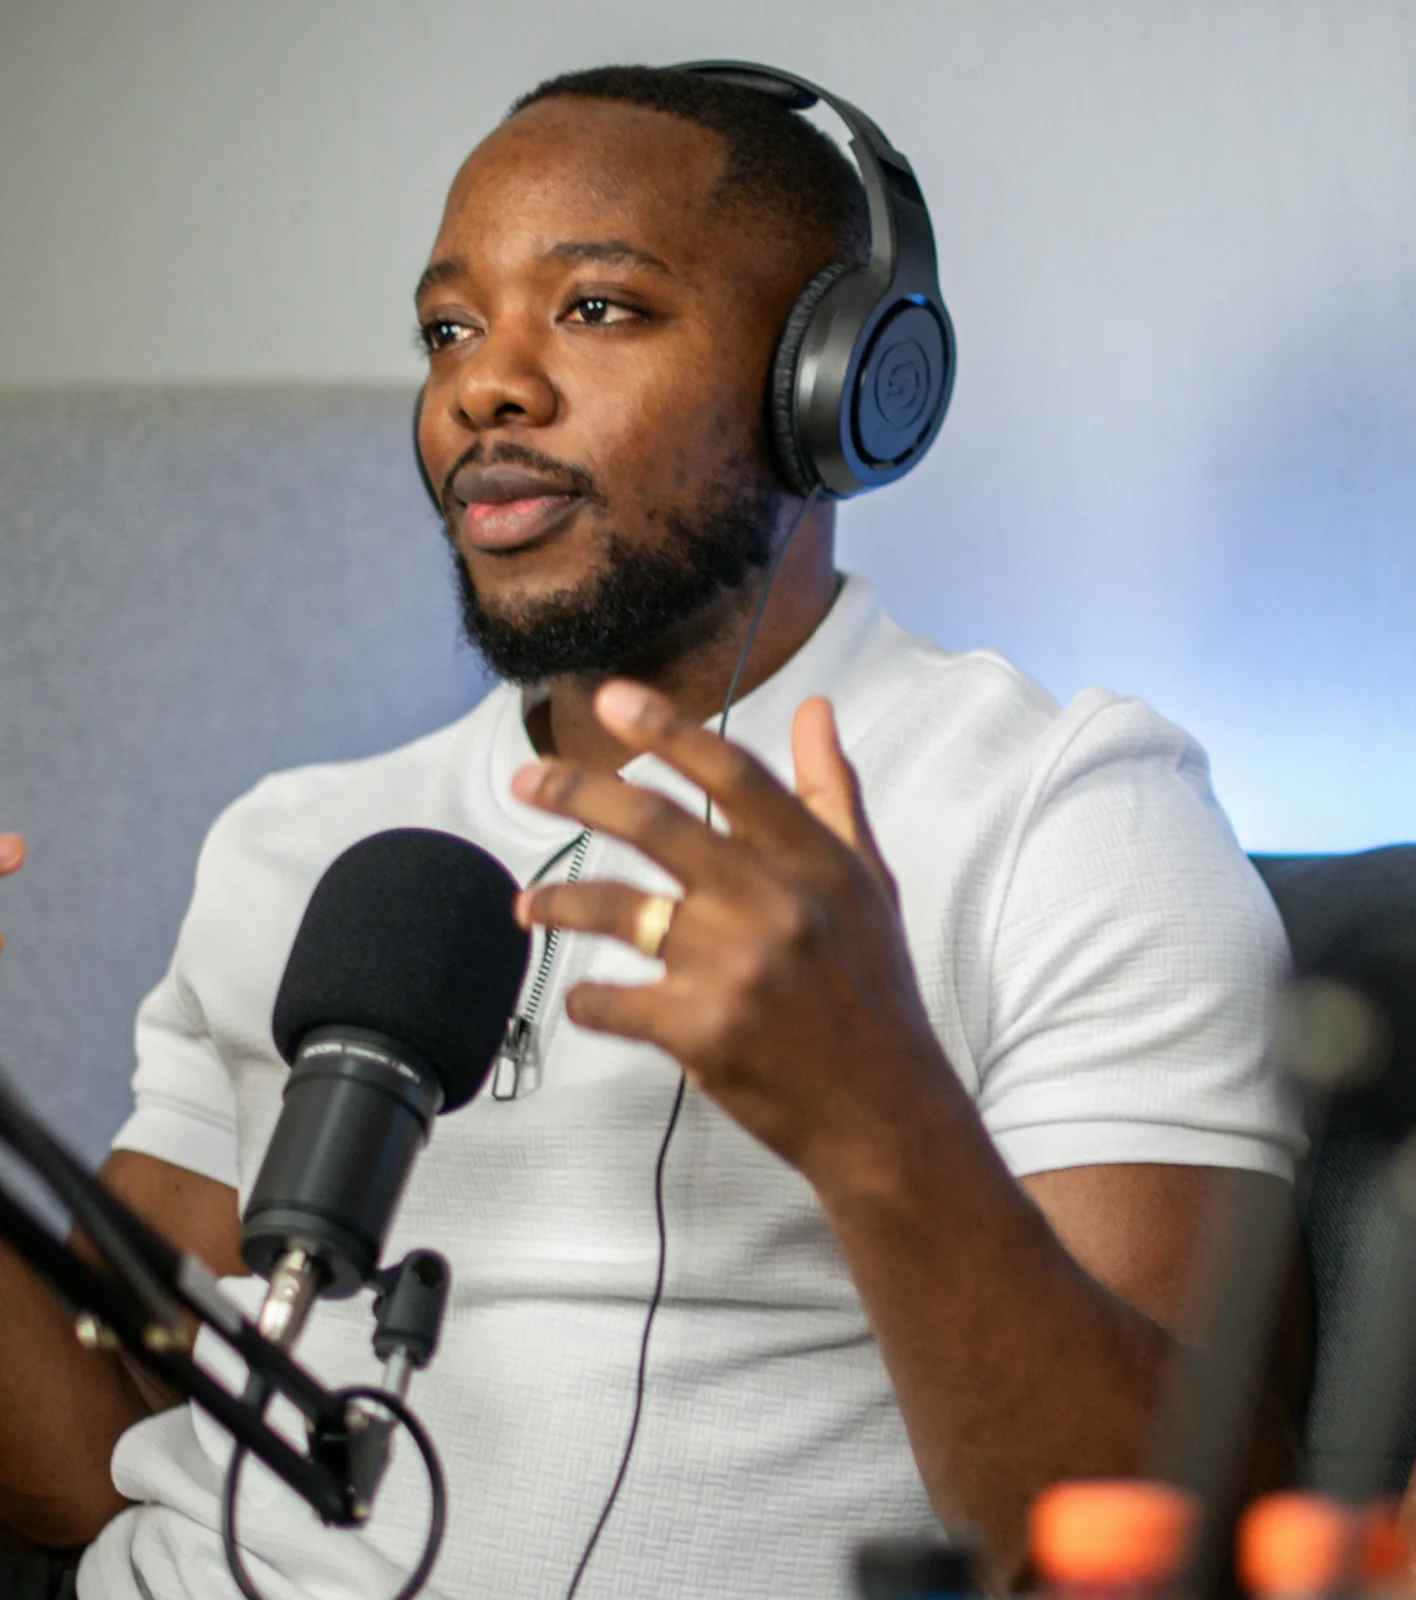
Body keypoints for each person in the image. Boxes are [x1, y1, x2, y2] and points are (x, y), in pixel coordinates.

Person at [0, 65, 1305, 1600]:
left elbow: (1190, 1547)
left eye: (597, 308)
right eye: (447, 330)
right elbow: (90, 1458)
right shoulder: (297, 845)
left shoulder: (1068, 818)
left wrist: (878, 1119)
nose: (486, 386)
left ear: (835, 384)